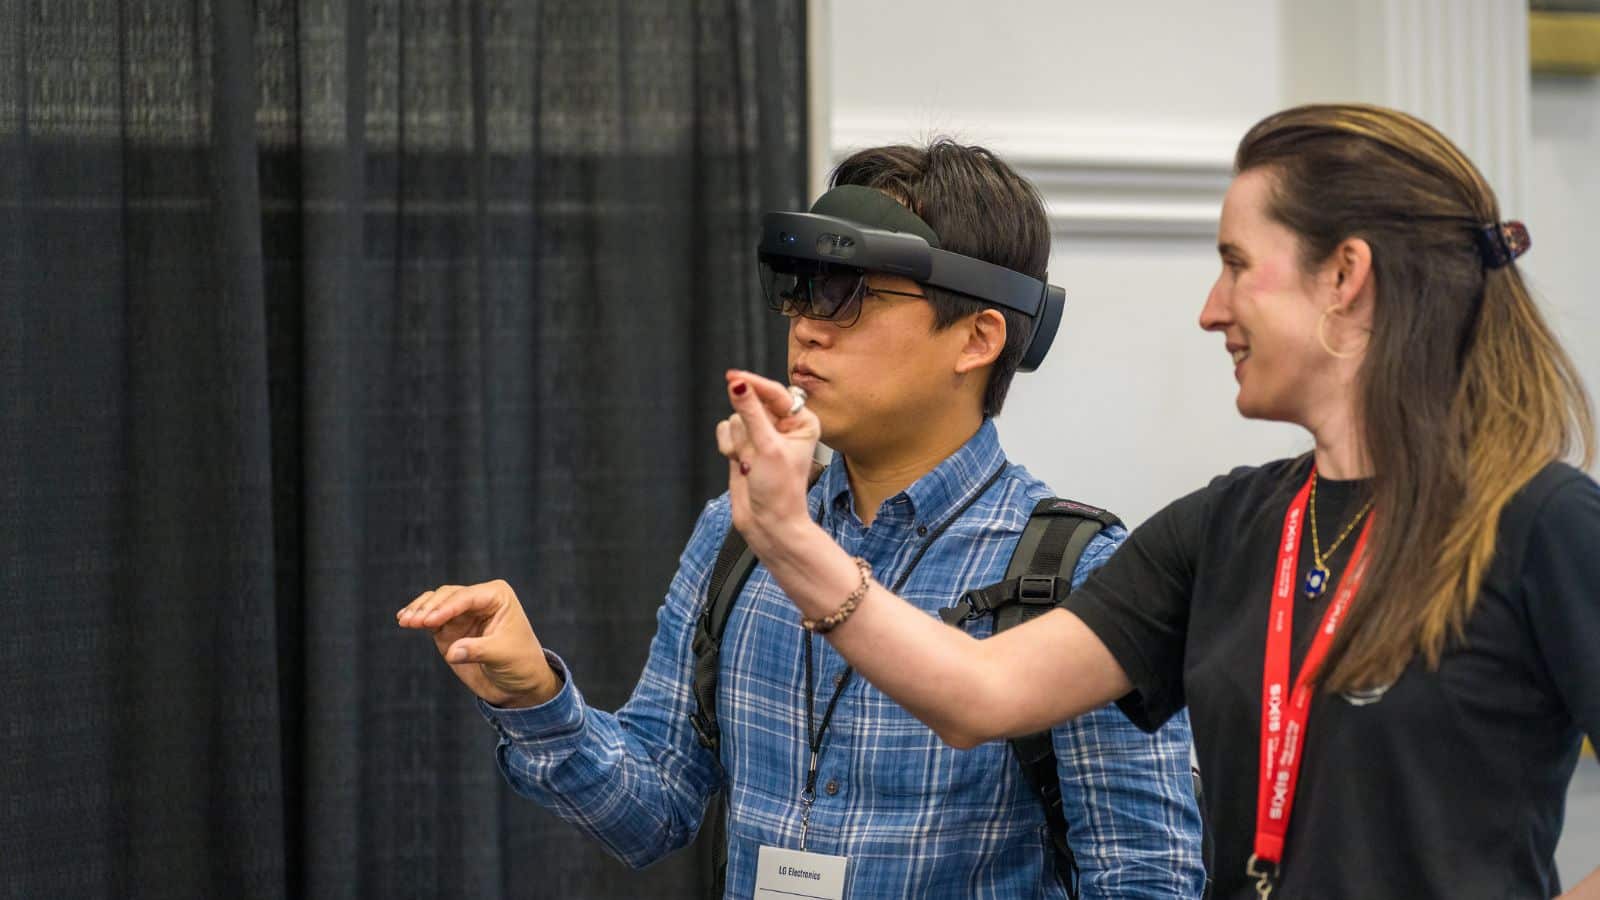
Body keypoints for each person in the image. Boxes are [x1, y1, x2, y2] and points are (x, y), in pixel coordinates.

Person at [717, 104, 1600, 900]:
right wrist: (790, 538)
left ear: (1345, 277)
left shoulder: (1541, 524)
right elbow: (979, 694)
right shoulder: (1227, 527)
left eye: (1236, 265)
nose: (1211, 311)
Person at [396, 140, 1206, 898]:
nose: (808, 323)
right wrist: (532, 693)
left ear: (978, 337)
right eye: (799, 286)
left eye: (851, 294)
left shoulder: (1074, 574)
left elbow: (1148, 881)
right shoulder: (737, 533)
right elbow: (653, 807)